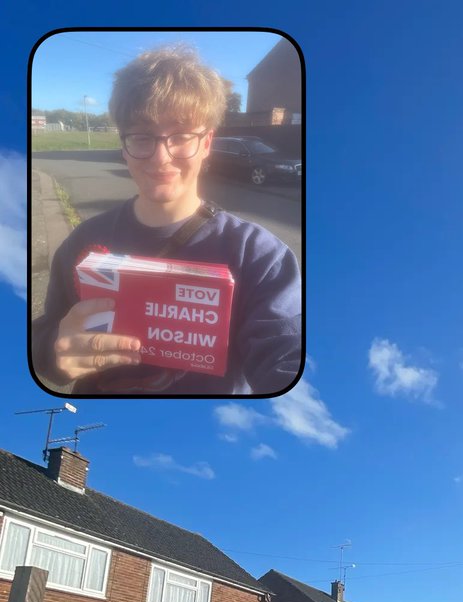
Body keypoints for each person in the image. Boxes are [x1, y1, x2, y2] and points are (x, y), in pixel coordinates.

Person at [31, 44, 302, 397]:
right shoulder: (82, 242)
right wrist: (54, 352)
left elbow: (285, 356)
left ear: (206, 143)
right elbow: (44, 337)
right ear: (124, 146)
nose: (161, 157)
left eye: (181, 136)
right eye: (142, 136)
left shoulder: (260, 257)